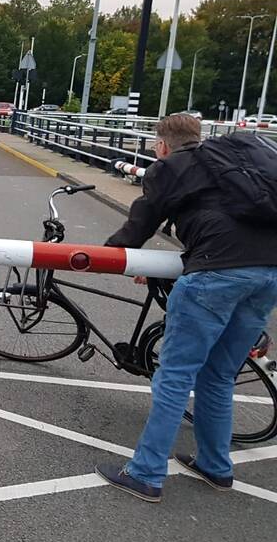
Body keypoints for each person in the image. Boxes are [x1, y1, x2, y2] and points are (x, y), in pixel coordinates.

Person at [95, 114, 277, 502]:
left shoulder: (169, 167)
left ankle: (145, 474)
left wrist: (103, 256)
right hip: (268, 273)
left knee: (175, 376)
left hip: (216, 273)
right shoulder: (237, 162)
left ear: (162, 144)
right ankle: (215, 466)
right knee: (219, 375)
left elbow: (140, 226)